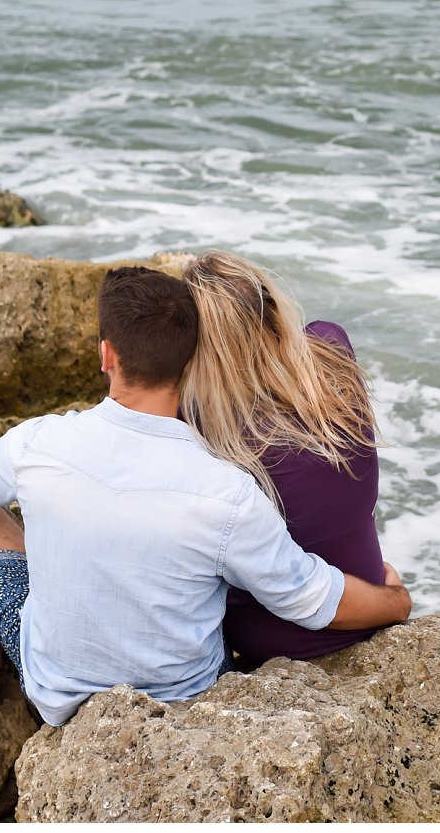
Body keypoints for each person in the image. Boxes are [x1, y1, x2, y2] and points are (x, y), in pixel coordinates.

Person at [0, 265, 410, 726]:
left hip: (59, 692)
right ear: (190, 360)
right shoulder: (229, 490)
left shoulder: (37, 442)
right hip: (183, 703)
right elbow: (307, 596)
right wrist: (395, 602)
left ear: (106, 356)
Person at [177, 251, 387, 668]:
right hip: (370, 601)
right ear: (270, 307)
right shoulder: (333, 350)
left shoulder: (199, 421)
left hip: (273, 641)